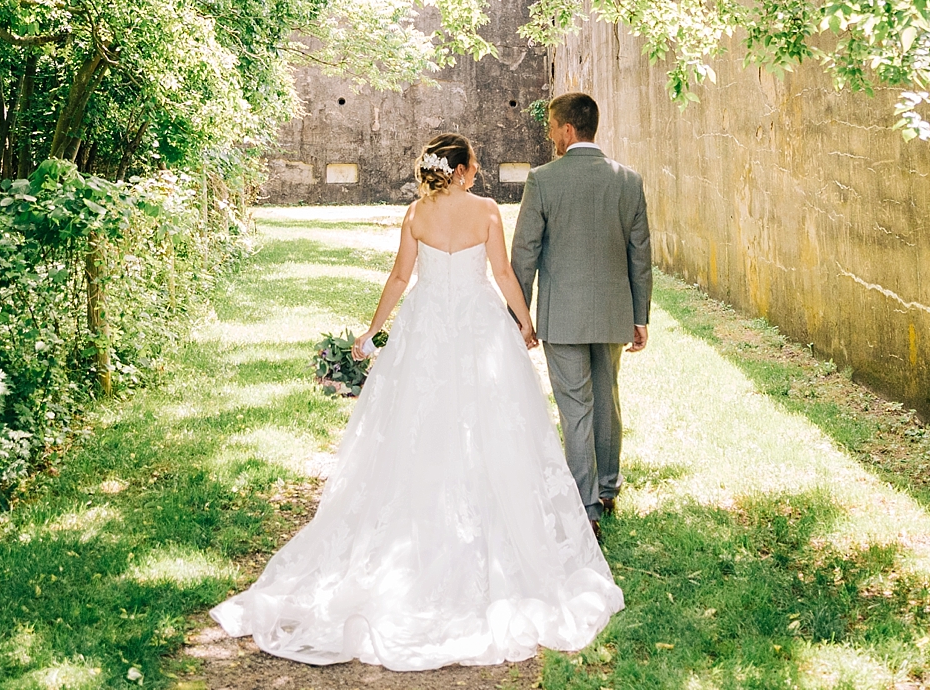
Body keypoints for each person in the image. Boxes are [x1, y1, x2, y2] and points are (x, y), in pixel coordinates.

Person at [209, 133, 623, 669]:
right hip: (478, 329)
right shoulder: (486, 211)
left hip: (425, 330)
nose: (477, 171)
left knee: (416, 426)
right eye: (474, 164)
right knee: (492, 423)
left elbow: (402, 276)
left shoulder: (416, 214)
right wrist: (526, 322)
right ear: (465, 169)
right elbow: (501, 274)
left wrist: (372, 332)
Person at [509, 91, 651, 529]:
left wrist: (521, 316)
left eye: (552, 127)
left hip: (563, 317)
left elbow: (525, 252)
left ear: (568, 130)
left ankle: (586, 506)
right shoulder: (628, 181)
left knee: (576, 408)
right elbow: (640, 253)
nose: (550, 135)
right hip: (612, 313)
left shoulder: (544, 180)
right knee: (607, 401)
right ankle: (607, 488)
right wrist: (640, 315)